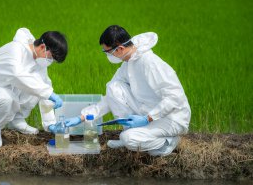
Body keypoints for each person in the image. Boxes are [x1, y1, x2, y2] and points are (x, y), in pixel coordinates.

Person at [62, 25, 191, 156]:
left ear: (120, 48)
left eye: (108, 52)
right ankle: (131, 134)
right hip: (148, 111)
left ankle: (168, 141)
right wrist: (82, 117)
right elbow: (110, 97)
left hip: (171, 118)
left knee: (135, 142)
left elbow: (175, 97)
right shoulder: (128, 63)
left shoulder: (150, 63)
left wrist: (148, 118)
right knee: (113, 87)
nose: (107, 55)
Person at [0, 28, 67, 147]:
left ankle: (17, 120)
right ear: (42, 47)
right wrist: (48, 93)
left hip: (8, 96)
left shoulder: (39, 62)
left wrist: (50, 122)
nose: (50, 62)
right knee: (7, 96)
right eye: (51, 57)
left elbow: (44, 87)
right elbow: (17, 75)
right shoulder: (15, 49)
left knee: (37, 86)